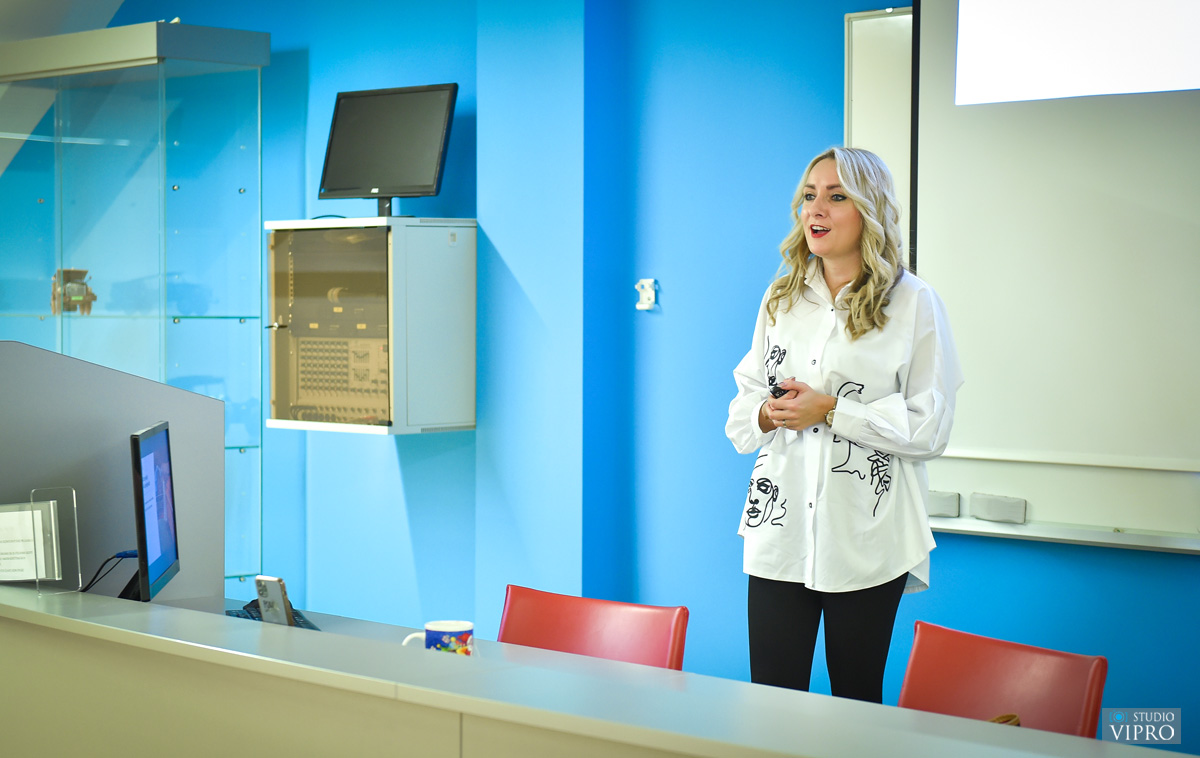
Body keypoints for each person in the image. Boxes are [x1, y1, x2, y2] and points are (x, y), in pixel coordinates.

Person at [725, 147, 963, 703]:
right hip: (780, 531)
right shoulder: (781, 298)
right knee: (771, 702)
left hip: (866, 537)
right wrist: (767, 411)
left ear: (869, 210)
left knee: (856, 705)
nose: (817, 209)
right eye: (809, 196)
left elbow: (930, 427)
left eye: (836, 197)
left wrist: (831, 410)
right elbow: (741, 415)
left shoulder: (914, 303)